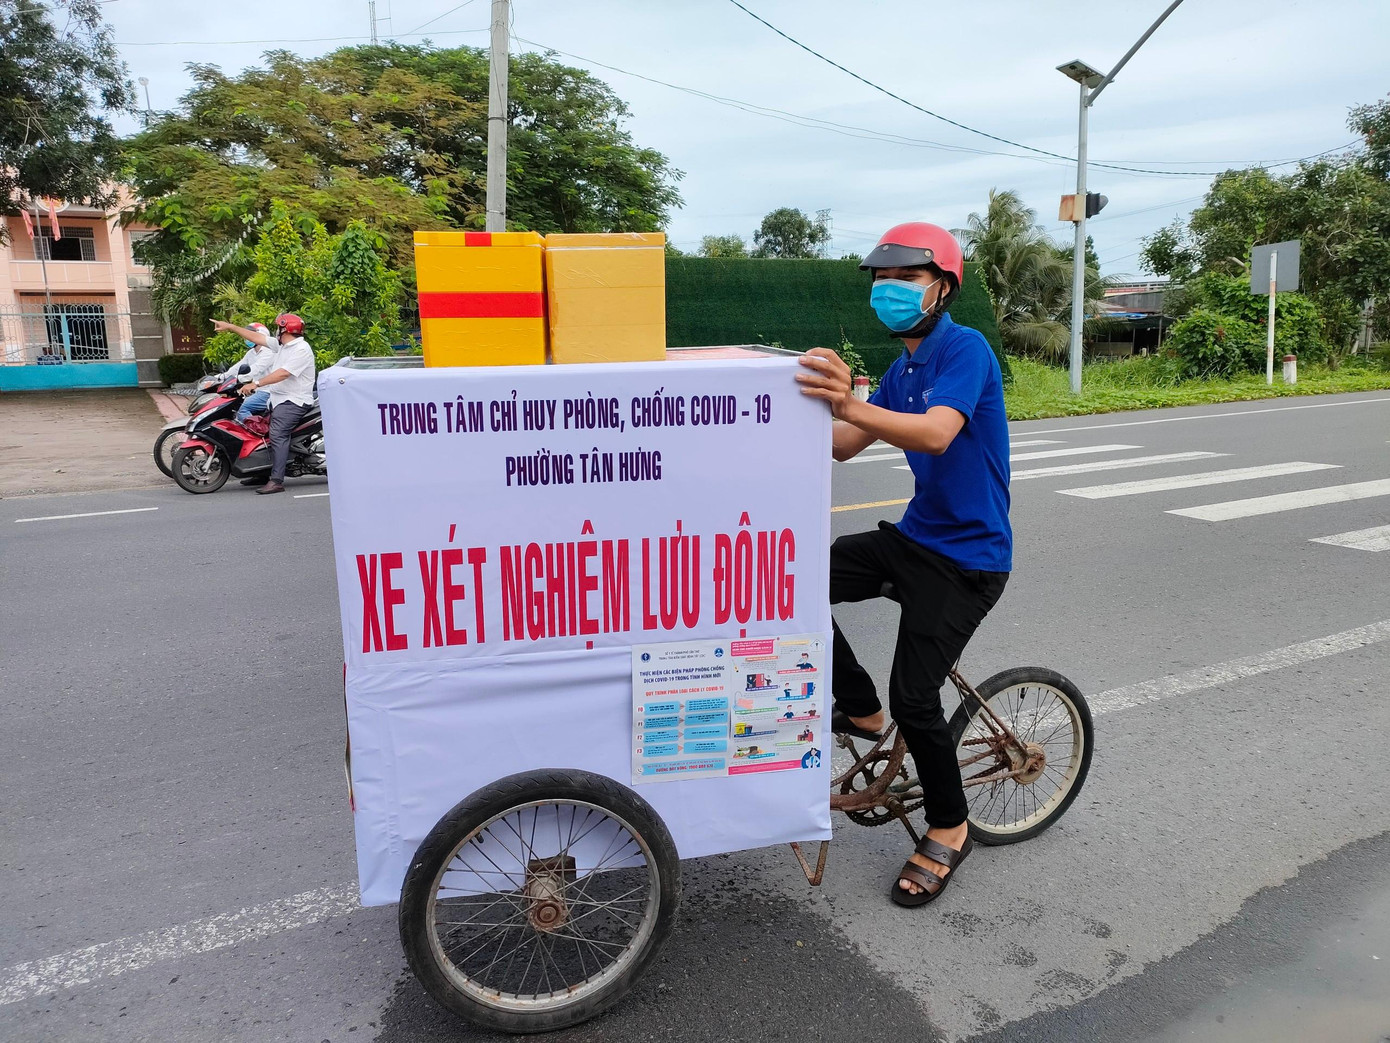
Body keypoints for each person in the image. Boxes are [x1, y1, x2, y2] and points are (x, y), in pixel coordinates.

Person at [796, 222, 1011, 909]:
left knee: (917, 699)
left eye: (907, 277)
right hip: (915, 539)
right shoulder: (902, 369)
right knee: (792, 581)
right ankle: (861, 709)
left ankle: (949, 826)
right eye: (882, 279)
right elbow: (842, 444)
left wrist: (851, 402)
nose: (889, 289)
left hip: (969, 558)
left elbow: (937, 433)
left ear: (943, 287)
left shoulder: (964, 349)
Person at [219, 313, 316, 495]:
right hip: (276, 399)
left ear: (285, 330)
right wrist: (231, 327)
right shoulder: (282, 345)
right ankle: (262, 473)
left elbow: (283, 373)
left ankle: (277, 481)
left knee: (277, 435)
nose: (276, 331)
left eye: (278, 328)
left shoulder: (301, 349)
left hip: (293, 401)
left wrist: (255, 384)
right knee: (258, 431)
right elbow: (256, 337)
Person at [210, 321, 275, 422]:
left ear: (260, 335)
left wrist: (235, 380)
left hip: (268, 392)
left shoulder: (269, 352)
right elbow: (237, 368)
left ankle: (255, 429)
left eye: (250, 335)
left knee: (243, 409)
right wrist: (218, 378)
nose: (247, 338)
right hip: (255, 390)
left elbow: (254, 370)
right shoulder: (251, 353)